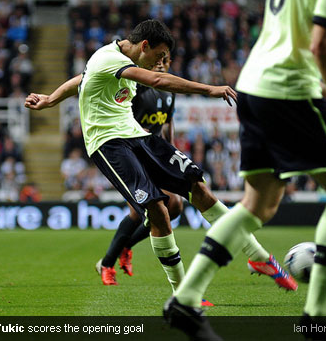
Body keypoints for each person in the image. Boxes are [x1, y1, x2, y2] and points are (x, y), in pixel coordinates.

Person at [163, 0, 326, 341]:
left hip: (253, 89)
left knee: (258, 205)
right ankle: (320, 315)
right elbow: (322, 47)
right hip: (290, 93)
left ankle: (185, 300)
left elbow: (290, 49)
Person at [24, 20, 294, 300]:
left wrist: (51, 99)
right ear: (144, 46)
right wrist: (209, 89)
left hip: (138, 135)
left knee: (198, 187)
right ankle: (184, 293)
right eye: (158, 56)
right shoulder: (109, 58)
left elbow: (82, 79)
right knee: (158, 209)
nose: (159, 63)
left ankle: (257, 256)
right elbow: (155, 80)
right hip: (108, 144)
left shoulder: (117, 61)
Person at [97, 54, 297, 295]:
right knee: (147, 212)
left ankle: (127, 252)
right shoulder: (136, 88)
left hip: (155, 150)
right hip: (133, 152)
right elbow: (119, 113)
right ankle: (108, 262)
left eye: (167, 59)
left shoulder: (167, 93)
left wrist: (170, 150)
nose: (161, 63)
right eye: (158, 58)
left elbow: (167, 126)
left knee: (177, 206)